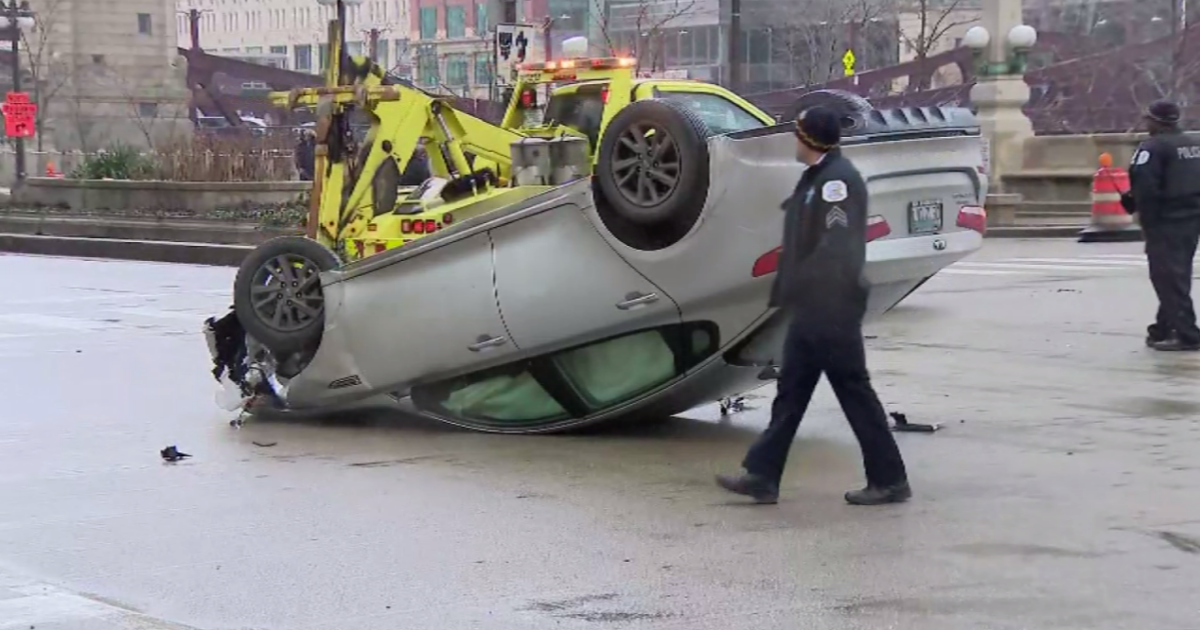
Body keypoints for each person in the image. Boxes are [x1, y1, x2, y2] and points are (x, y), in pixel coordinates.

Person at [715, 106, 910, 506]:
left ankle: (890, 480)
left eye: (799, 134)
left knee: (854, 391)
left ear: (809, 140)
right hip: (813, 306)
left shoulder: (836, 181)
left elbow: (835, 247)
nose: (795, 141)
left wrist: (809, 286)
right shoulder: (820, 177)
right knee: (791, 391)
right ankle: (763, 475)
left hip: (831, 306)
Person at [1123, 100, 1200, 352]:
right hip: (1191, 218)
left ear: (1154, 121)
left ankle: (1188, 334)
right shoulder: (1194, 144)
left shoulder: (1153, 148)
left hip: (1165, 220)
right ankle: (1163, 329)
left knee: (1167, 277)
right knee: (1176, 275)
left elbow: (1145, 185)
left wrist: (1137, 208)